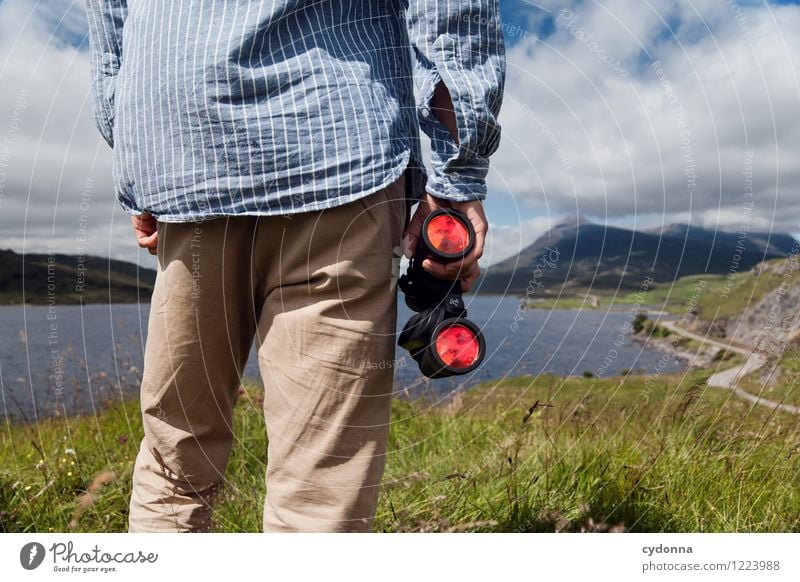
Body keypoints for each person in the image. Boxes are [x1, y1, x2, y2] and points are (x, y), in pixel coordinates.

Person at [86, 0, 505, 532]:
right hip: (337, 150)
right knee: (319, 490)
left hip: (184, 159)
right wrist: (457, 176)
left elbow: (111, 31)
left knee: (174, 463)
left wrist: (137, 167)